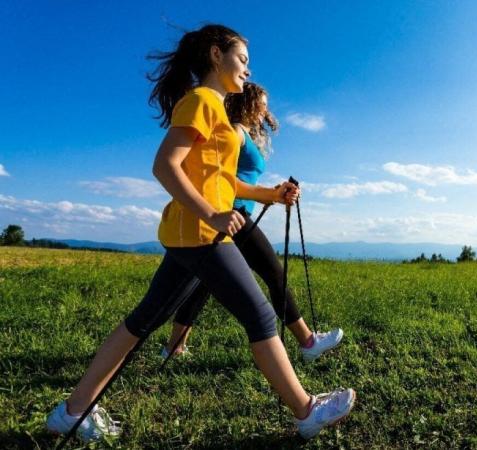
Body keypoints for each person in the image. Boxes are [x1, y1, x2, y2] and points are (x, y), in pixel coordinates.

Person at [46, 24, 355, 443]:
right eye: (242, 59)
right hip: (201, 234)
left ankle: (71, 411)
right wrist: (211, 213)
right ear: (216, 55)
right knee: (261, 316)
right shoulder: (201, 102)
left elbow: (224, 179)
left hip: (190, 235)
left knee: (141, 322)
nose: (247, 70)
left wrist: (272, 193)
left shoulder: (217, 110)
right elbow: (165, 165)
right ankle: (306, 410)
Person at [162, 81, 343, 363]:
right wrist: (265, 195)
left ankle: (174, 347)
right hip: (232, 213)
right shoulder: (234, 132)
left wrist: (273, 193)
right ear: (247, 102)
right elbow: (222, 177)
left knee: (202, 284)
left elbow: (243, 179)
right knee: (273, 273)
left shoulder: (243, 133)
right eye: (261, 104)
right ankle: (307, 341)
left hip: (234, 212)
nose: (265, 111)